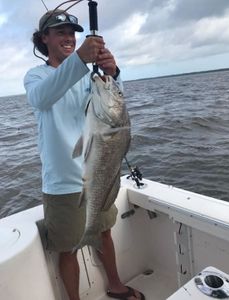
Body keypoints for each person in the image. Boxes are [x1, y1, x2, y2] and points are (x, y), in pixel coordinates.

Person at [24, 9, 145, 300]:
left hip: (100, 171)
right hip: (63, 182)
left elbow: (115, 108)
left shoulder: (88, 75)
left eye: (72, 33)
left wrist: (112, 73)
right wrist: (80, 59)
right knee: (68, 248)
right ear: (45, 38)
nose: (68, 38)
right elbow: (42, 98)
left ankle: (115, 286)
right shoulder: (37, 76)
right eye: (61, 32)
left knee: (104, 232)